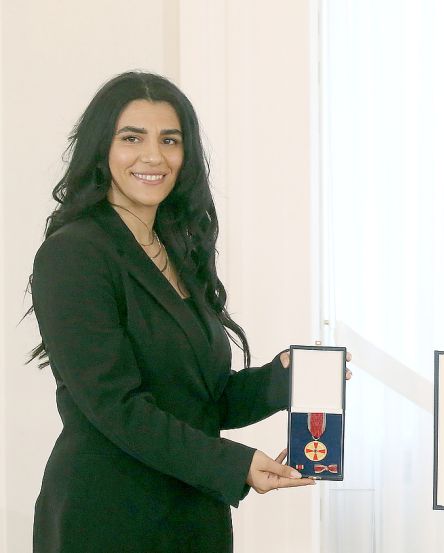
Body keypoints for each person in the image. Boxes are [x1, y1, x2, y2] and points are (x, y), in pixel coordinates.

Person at [28, 71, 350, 552]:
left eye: (170, 140)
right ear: (102, 148)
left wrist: (283, 378)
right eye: (132, 137)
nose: (153, 156)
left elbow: (200, 401)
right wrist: (233, 465)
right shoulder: (73, 254)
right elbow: (117, 407)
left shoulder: (177, 251)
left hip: (191, 516)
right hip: (108, 517)